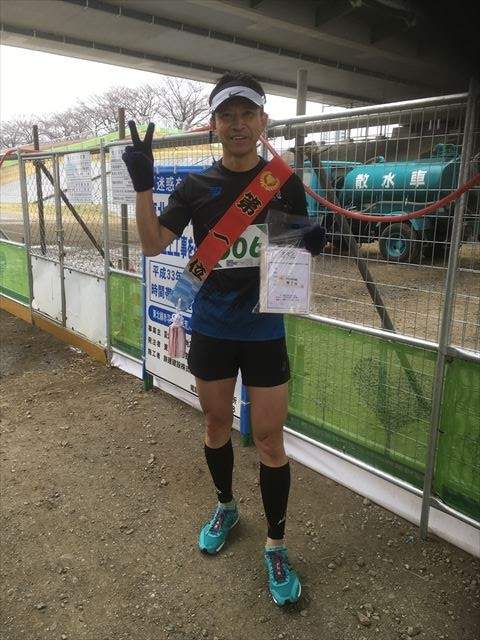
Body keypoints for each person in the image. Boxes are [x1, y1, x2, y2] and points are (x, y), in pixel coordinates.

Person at [122, 72, 324, 606]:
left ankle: (275, 545)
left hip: (264, 329)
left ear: (263, 122)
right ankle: (226, 506)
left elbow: (292, 255)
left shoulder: (283, 182)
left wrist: (311, 241)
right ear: (214, 125)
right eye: (227, 116)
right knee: (215, 425)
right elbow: (151, 243)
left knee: (269, 440)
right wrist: (143, 187)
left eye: (247, 114)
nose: (238, 125)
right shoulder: (195, 187)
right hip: (211, 325)